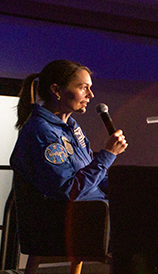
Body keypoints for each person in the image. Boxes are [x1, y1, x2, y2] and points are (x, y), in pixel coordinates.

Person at [11, 59, 128, 202]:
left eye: (90, 88)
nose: (90, 95)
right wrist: (109, 154)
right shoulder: (42, 131)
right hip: (71, 219)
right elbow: (68, 191)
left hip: (97, 210)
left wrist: (128, 189)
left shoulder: (72, 127)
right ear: (57, 91)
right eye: (83, 88)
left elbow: (96, 180)